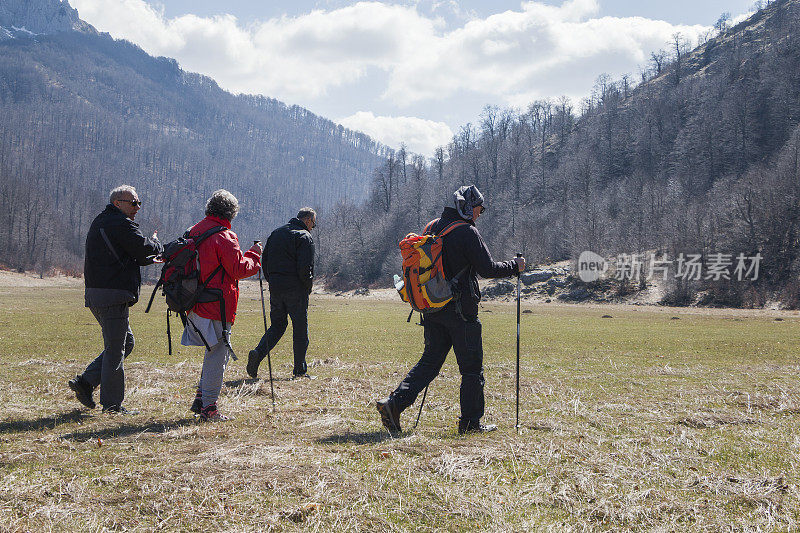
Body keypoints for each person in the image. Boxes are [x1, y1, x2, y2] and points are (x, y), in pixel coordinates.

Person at [377, 185, 525, 435]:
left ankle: (394, 403)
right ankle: (470, 423)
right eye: (479, 209)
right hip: (461, 312)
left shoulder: (433, 227)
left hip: (432, 307)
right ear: (469, 208)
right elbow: (487, 269)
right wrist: (515, 266)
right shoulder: (467, 232)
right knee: (471, 369)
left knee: (430, 363)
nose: (479, 214)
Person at [68, 185, 163, 414]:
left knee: (124, 343)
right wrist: (158, 245)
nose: (137, 207)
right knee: (115, 350)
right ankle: (112, 405)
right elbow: (143, 250)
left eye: (139, 203)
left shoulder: (101, 221)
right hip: (112, 295)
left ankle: (86, 382)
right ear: (117, 203)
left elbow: (135, 252)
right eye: (133, 203)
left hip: (97, 294)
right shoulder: (119, 223)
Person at [183, 189, 262, 421]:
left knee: (213, 352)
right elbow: (238, 269)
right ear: (231, 213)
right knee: (219, 354)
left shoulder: (193, 231)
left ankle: (201, 397)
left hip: (194, 302)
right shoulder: (224, 236)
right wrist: (255, 254)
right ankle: (209, 407)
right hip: (218, 304)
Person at [247, 207, 316, 380]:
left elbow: (266, 261)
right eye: (314, 223)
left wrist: (273, 282)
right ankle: (300, 370)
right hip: (296, 289)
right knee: (300, 328)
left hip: (276, 288)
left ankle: (258, 353)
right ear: (307, 220)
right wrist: (307, 287)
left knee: (278, 325)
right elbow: (305, 268)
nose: (313, 227)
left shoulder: (276, 233)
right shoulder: (304, 237)